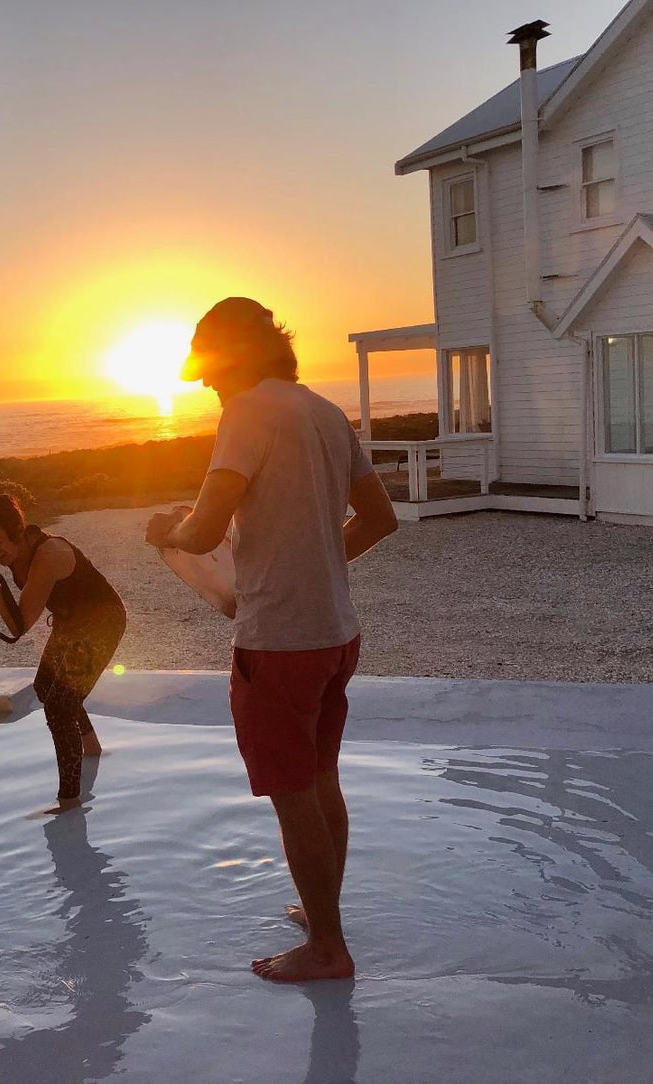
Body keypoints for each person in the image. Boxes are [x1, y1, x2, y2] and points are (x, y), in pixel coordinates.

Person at [145, 297, 399, 984]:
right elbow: (379, 520)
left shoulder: (247, 413)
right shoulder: (321, 410)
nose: (211, 392)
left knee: (292, 794)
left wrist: (165, 529)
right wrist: (312, 562)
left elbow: (202, 533)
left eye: (210, 377)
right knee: (320, 780)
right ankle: (323, 917)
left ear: (230, 361)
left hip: (278, 644)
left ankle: (325, 949)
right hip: (334, 635)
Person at [0, 494, 126, 814]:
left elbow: (18, 627)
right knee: (45, 687)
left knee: (60, 707)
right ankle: (93, 748)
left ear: (18, 532)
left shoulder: (49, 556)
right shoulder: (4, 547)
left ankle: (70, 802)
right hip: (69, 622)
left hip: (103, 622)